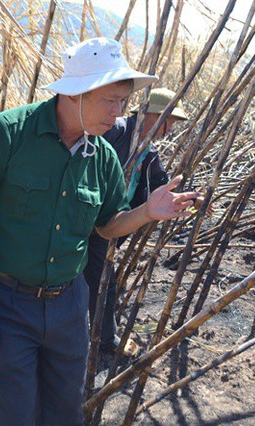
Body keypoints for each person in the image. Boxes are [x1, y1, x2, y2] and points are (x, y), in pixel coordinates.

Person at [0, 37, 198, 426]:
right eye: (110, 100)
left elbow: (108, 225)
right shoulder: (7, 134)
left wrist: (148, 212)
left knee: (65, 414)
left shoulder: (101, 156)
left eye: (123, 102)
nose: (119, 113)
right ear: (75, 93)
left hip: (69, 306)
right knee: (15, 416)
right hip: (6, 304)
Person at [84, 88, 193, 356]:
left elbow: (160, 183)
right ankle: (106, 340)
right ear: (150, 115)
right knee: (101, 280)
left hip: (116, 222)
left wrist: (192, 199)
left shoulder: (149, 152)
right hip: (91, 221)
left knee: (100, 279)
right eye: (168, 121)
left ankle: (102, 334)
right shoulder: (116, 131)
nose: (170, 129)